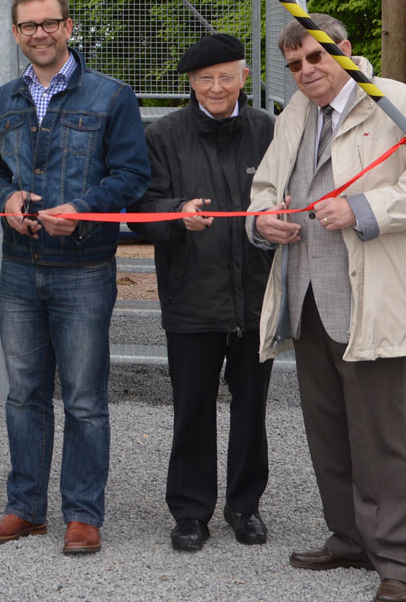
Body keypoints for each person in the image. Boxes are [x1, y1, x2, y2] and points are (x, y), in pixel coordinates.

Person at [249, 14, 406, 602]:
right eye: (295, 66)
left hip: (372, 296)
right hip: (306, 294)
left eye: (316, 57)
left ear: (345, 50)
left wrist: (364, 210)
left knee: (383, 435)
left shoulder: (397, 102)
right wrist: (266, 220)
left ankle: (399, 563)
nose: (307, 72)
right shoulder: (294, 116)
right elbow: (266, 187)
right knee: (328, 429)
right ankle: (350, 537)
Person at [0, 0, 150, 555]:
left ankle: (82, 514)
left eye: (49, 23)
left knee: (83, 399)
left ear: (69, 27)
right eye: (28, 26)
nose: (39, 34)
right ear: (17, 33)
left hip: (83, 269)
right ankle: (25, 508)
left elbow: (131, 175)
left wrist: (86, 209)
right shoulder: (4, 99)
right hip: (20, 268)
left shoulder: (110, 97)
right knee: (23, 395)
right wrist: (3, 198)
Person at [131, 33, 276, 553]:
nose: (216, 88)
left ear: (244, 76)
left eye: (226, 76)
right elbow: (142, 204)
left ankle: (245, 505)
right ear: (191, 84)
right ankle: (191, 511)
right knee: (192, 407)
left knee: (252, 405)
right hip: (192, 294)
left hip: (256, 293)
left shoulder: (268, 129)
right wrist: (175, 214)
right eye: (205, 79)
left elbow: (286, 193)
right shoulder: (164, 134)